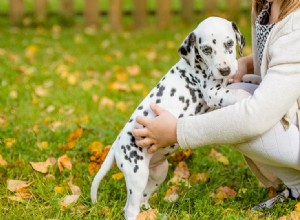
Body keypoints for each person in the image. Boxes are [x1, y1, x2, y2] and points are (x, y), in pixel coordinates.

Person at [132, 0, 300, 209]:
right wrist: (247, 62)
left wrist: (178, 131)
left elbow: (254, 117)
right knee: (229, 94)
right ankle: (296, 188)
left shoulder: (296, 22)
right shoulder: (265, 5)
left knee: (232, 106)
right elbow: (283, 55)